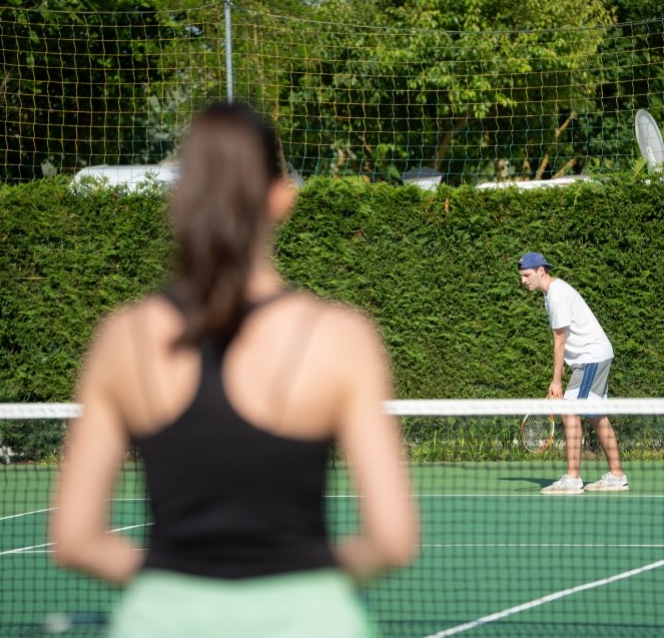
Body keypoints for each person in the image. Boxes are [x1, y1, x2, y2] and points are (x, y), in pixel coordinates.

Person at [51, 102, 417, 637]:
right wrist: (306, 582)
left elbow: (76, 538)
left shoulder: (122, 338)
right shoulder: (341, 337)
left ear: (181, 200)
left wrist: (171, 584)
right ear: (282, 198)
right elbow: (392, 540)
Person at [517, 252, 628, 495]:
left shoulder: (556, 295)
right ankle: (617, 476)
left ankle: (572, 478)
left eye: (526, 275)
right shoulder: (552, 294)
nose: (524, 280)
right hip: (595, 356)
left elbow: (559, 342)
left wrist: (556, 382)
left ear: (541, 271)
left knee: (569, 411)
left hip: (591, 357)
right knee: (596, 416)